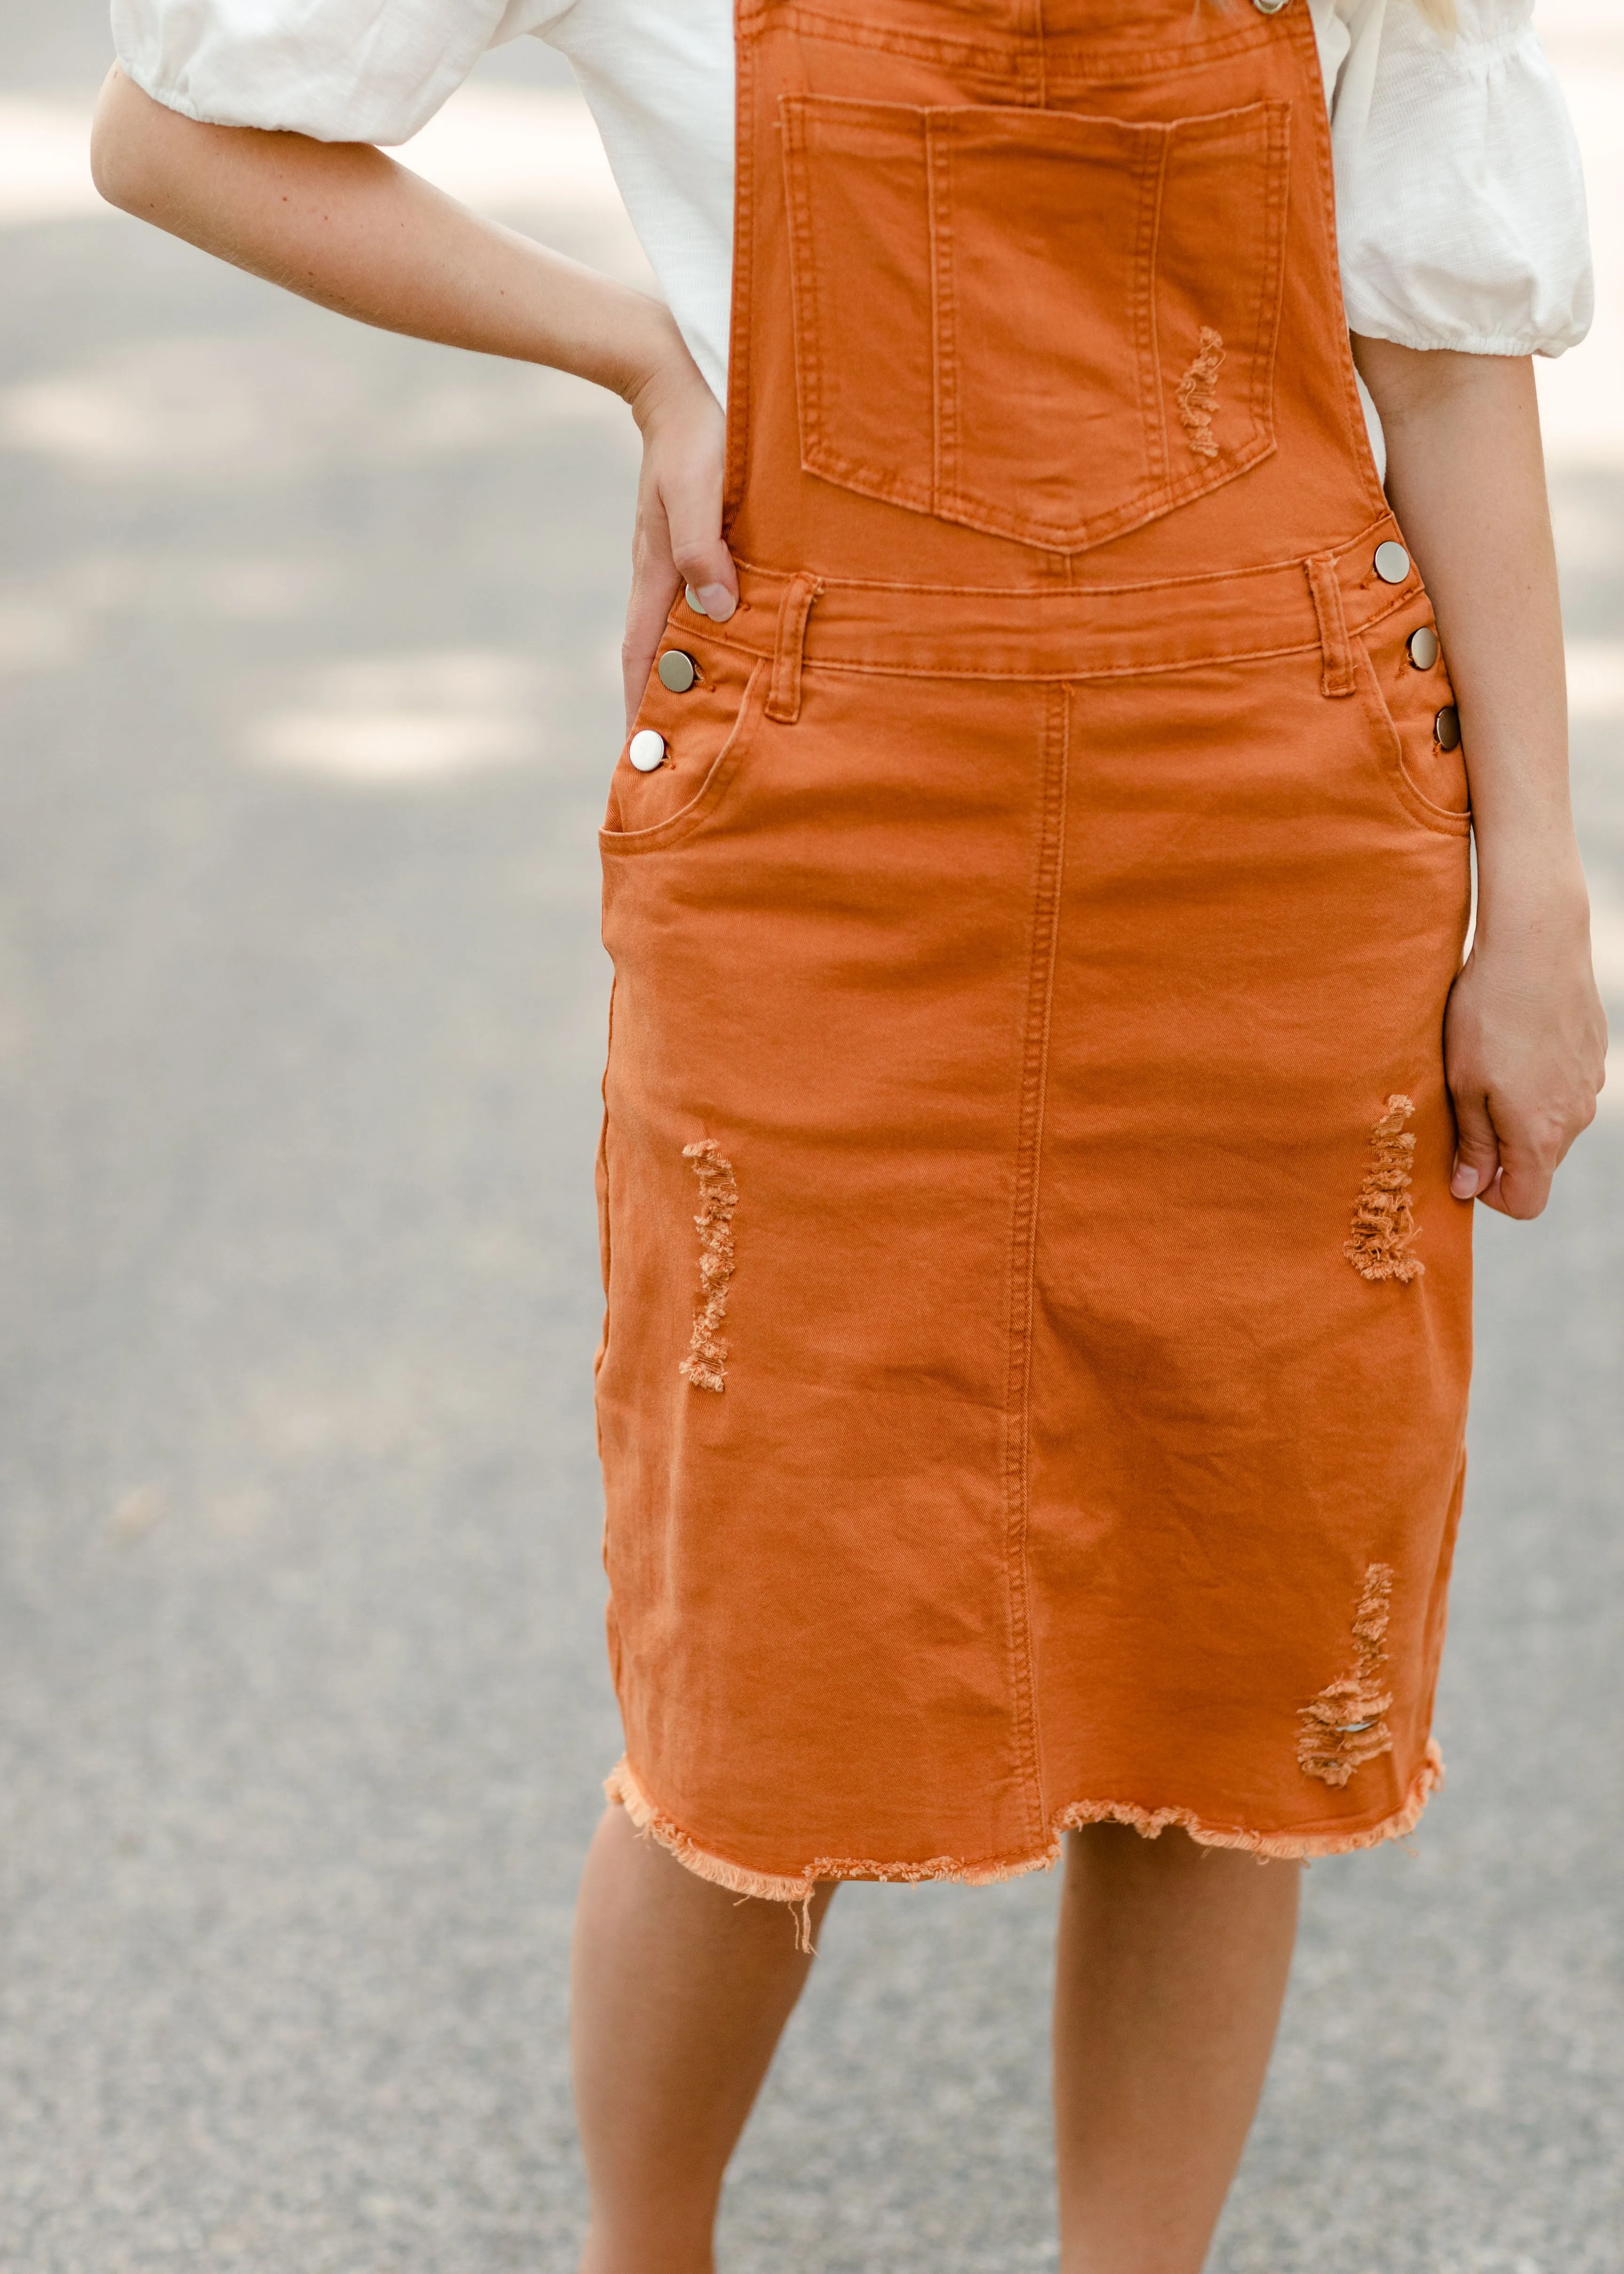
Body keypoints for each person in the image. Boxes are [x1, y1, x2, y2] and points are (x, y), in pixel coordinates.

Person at [91, 0, 1606, 2266]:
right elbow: (171, 137)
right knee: (759, 1681)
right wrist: (637, 352)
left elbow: (1448, 368)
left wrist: (1542, 902)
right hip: (825, 838)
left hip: (1279, 842)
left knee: (1227, 1658)